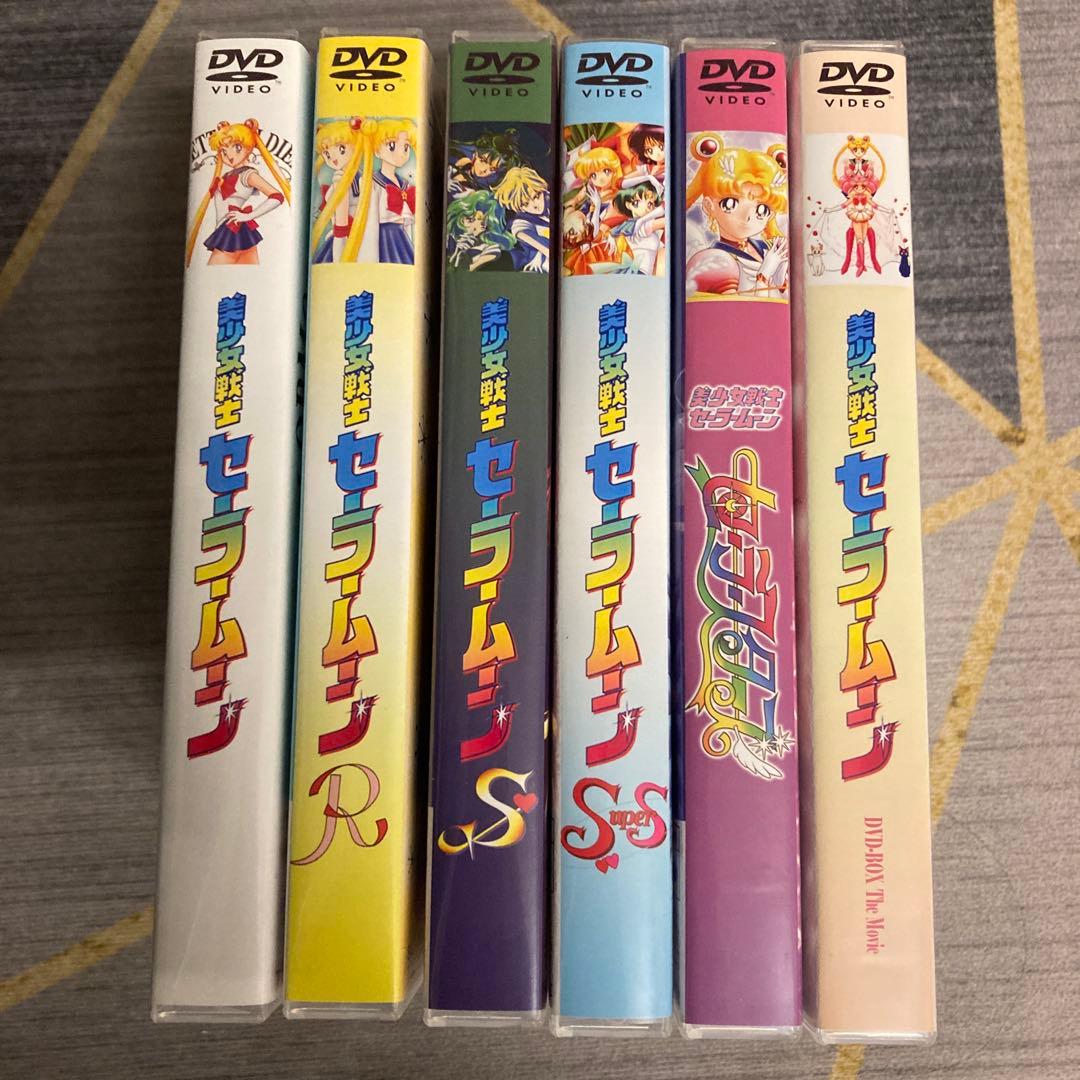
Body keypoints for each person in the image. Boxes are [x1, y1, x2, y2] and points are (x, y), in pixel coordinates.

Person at [684, 133, 789, 298]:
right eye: (730, 204)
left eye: (762, 209)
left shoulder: (766, 250)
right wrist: (763, 276)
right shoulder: (715, 260)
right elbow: (738, 308)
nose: (748, 216)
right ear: (709, 206)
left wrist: (781, 280)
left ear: (770, 215)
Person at [187, 118, 289, 266]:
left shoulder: (248, 175)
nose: (229, 155)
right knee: (249, 273)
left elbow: (277, 196)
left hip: (231, 229)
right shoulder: (226, 175)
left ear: (249, 147)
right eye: (223, 151)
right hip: (231, 230)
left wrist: (248, 216)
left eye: (237, 147)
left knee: (216, 274)